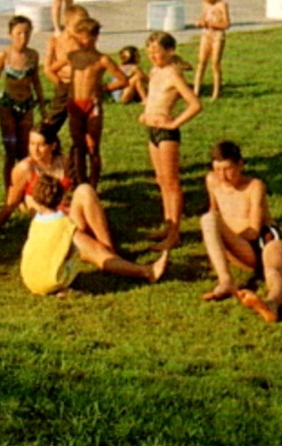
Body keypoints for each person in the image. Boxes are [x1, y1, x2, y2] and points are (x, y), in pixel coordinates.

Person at [19, 175, 169, 295]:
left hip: (30, 280)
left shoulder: (36, 222)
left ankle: (57, 286)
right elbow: (73, 249)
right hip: (52, 280)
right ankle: (146, 271)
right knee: (90, 252)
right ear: (60, 198)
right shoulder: (66, 224)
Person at [199, 140, 282, 323]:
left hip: (263, 239)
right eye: (217, 170)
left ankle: (270, 304)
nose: (223, 176)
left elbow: (254, 231)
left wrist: (226, 238)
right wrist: (220, 239)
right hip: (240, 248)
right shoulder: (212, 181)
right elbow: (214, 210)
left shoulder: (255, 186)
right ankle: (226, 281)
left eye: (228, 169)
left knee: (274, 271)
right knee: (208, 219)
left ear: (240, 165)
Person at [140, 30, 203, 251]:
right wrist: (146, 112)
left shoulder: (173, 74)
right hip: (152, 130)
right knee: (161, 180)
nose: (153, 56)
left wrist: (174, 123)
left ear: (170, 50)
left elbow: (195, 104)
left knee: (172, 182)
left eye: (157, 51)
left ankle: (175, 234)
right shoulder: (155, 70)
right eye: (150, 52)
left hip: (167, 134)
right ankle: (168, 226)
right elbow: (155, 96)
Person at [63, 16, 128, 188]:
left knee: (92, 146)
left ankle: (93, 184)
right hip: (75, 103)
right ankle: (80, 183)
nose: (82, 41)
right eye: (79, 37)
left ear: (95, 37)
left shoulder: (102, 59)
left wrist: (104, 89)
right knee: (78, 146)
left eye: (86, 37)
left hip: (93, 105)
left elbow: (123, 80)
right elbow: (51, 69)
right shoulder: (72, 56)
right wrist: (63, 83)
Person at [0, 15, 46, 194]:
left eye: (27, 33)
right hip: (8, 105)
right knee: (10, 150)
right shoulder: (4, 55)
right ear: (10, 34)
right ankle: (10, 191)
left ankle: (26, 190)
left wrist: (42, 106)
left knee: (25, 150)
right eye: (19, 33)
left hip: (27, 104)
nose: (23, 37)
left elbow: (36, 81)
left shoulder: (33, 55)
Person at [40, 4, 91, 142]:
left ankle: (77, 153)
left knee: (81, 124)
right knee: (53, 120)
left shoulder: (82, 42)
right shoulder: (55, 42)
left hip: (80, 86)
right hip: (64, 84)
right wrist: (60, 83)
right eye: (78, 25)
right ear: (67, 24)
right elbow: (47, 69)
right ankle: (44, 142)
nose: (82, 29)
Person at [193, 0, 231, 101]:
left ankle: (216, 92)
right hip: (206, 34)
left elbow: (227, 24)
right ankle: (196, 91)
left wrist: (213, 24)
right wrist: (200, 23)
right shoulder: (205, 4)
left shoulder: (222, 4)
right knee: (201, 62)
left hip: (217, 36)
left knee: (215, 63)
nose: (206, 0)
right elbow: (202, 17)